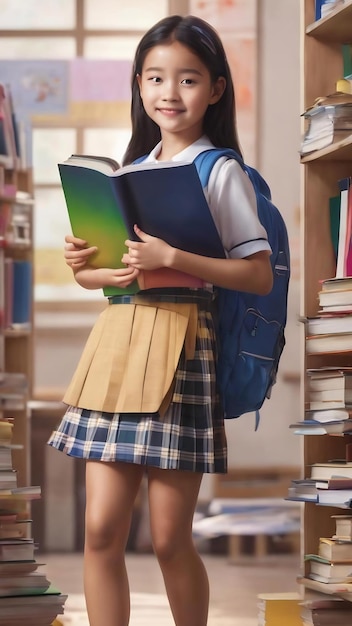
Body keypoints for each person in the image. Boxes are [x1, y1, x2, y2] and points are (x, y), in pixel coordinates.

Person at [48, 14, 273, 626]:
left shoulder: (218, 171)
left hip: (183, 346)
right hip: (117, 348)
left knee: (170, 538)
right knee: (100, 531)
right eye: (155, 78)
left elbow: (258, 274)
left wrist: (173, 257)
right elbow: (104, 281)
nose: (169, 94)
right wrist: (84, 266)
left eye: (188, 79)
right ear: (139, 86)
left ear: (216, 89)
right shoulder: (128, 172)